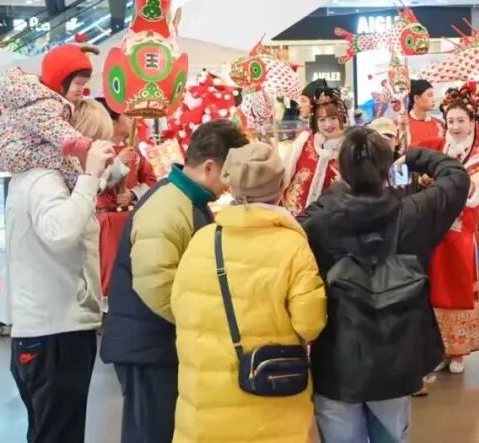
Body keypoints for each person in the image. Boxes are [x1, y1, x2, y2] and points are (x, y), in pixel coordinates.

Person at [302, 128, 471, 442]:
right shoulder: (414, 213)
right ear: (388, 168)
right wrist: (414, 154)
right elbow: (456, 176)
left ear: (340, 169)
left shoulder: (319, 222)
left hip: (337, 362)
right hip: (397, 358)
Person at [101, 120, 249, 443]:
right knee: (151, 433)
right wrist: (201, 324)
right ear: (210, 167)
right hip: (148, 349)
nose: (230, 184)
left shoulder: (189, 200)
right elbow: (157, 284)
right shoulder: (168, 206)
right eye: (229, 173)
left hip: (158, 346)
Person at [170, 142, 327, 443]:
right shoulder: (292, 245)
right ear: (281, 187)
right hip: (269, 400)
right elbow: (310, 324)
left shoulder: (203, 241)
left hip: (205, 406)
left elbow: (179, 306)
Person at [5, 135, 116, 443]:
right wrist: (90, 174)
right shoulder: (45, 180)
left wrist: (99, 176)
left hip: (46, 329)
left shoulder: (33, 178)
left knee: (49, 431)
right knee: (59, 433)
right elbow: (61, 231)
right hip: (56, 330)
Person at [421, 85, 479, 374]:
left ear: (472, 122)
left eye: (461, 120)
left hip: (461, 227)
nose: (455, 126)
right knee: (433, 286)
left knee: (457, 285)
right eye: (451, 121)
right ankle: (437, 348)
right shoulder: (436, 148)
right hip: (434, 229)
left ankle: (457, 351)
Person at [0, 43, 100, 189]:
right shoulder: (44, 102)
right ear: (59, 80)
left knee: (63, 156)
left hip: (16, 147)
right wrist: (76, 141)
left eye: (84, 83)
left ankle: (82, 185)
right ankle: (81, 187)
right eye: (78, 83)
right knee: (61, 158)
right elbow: (53, 125)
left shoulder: (40, 97)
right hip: (14, 150)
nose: (82, 89)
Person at [93, 97, 157, 297]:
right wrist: (118, 164)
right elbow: (95, 185)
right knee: (109, 274)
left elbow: (151, 181)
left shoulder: (134, 152)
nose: (130, 120)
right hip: (107, 221)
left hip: (131, 219)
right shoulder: (97, 151)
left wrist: (133, 194)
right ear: (111, 122)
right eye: (125, 116)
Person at [281, 82, 346, 217]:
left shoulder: (347, 148)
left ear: (341, 119)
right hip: (295, 217)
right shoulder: (304, 141)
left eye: (332, 118)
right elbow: (286, 174)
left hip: (331, 222)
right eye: (322, 120)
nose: (327, 125)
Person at [405, 79, 445, 147]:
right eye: (430, 95)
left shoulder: (439, 124)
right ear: (416, 98)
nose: (433, 99)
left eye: (433, 95)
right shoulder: (404, 125)